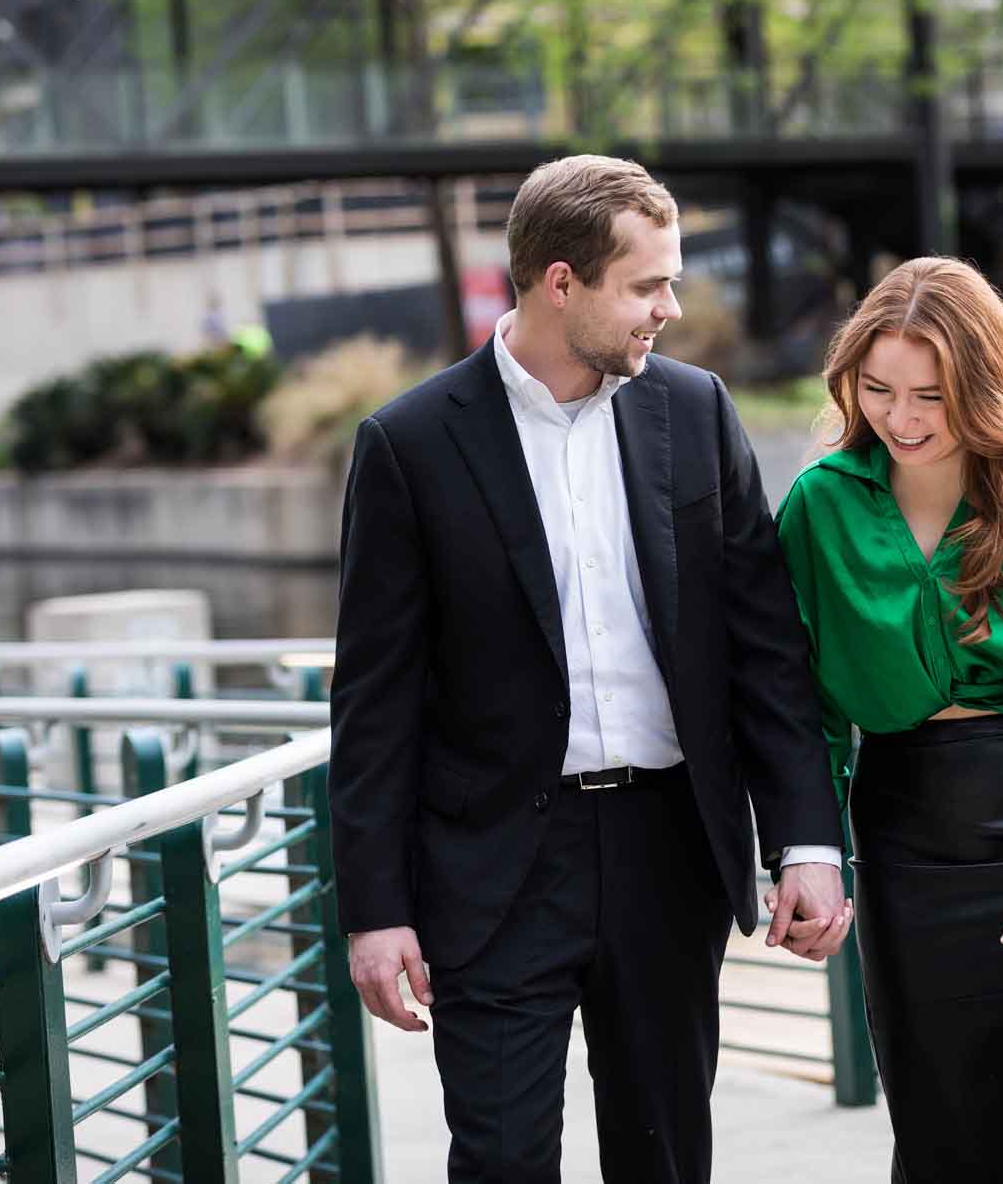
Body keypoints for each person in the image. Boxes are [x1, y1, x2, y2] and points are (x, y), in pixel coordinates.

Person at [329, 154, 853, 1184]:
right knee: (502, 1159)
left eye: (671, 280)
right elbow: (374, 700)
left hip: (669, 849)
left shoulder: (695, 414)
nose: (670, 307)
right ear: (558, 283)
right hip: (495, 868)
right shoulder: (409, 444)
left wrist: (806, 838)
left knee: (662, 1158)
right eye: (645, 285)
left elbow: (764, 651)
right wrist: (374, 909)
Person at [775, 256, 1003, 1182]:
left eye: (932, 395)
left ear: (982, 385)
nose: (902, 418)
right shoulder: (818, 508)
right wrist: (810, 851)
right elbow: (803, 706)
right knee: (942, 1143)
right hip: (909, 849)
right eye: (880, 389)